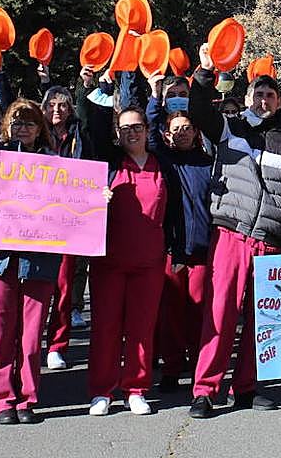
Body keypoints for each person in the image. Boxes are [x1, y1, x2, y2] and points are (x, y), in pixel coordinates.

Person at [186, 42, 281, 419]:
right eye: (257, 94)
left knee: (263, 319)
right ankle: (205, 390)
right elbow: (197, 110)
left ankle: (246, 387)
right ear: (247, 97)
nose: (263, 100)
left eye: (270, 95)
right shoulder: (231, 127)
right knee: (220, 313)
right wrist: (206, 71)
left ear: (278, 101)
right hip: (231, 235)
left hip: (272, 242)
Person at [0, 70, 63, 425]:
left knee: (32, 336)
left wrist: (97, 199)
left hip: (38, 261)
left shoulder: (56, 165)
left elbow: (74, 203)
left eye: (30, 123)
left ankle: (28, 398)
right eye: (16, 122)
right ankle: (3, 398)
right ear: (6, 126)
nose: (23, 128)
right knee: (0, 331)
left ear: (40, 128)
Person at [88, 102, 180, 417]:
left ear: (147, 130)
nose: (131, 133)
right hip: (109, 262)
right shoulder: (109, 163)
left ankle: (136, 389)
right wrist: (96, 199)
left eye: (137, 127)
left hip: (149, 263)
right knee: (106, 328)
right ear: (117, 132)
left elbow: (175, 211)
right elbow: (85, 202)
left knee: (141, 328)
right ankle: (102, 390)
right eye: (125, 128)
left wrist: (175, 248)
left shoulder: (162, 164)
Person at [147, 74, 214, 393]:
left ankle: (201, 364)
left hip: (202, 250)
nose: (182, 133)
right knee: (171, 313)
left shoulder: (209, 162)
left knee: (199, 311)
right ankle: (172, 368)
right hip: (173, 250)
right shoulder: (165, 160)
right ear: (167, 135)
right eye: (176, 130)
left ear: (196, 131)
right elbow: (150, 131)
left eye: (187, 128)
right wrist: (154, 95)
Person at [37, 71, 98, 372]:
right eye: (51, 105)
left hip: (66, 224)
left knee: (63, 287)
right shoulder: (34, 136)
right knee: (33, 289)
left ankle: (57, 345)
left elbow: (91, 170)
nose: (56, 111)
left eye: (62, 105)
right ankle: (26, 344)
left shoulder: (79, 136)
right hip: (33, 225)